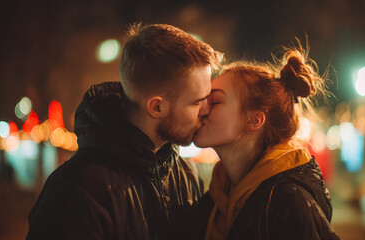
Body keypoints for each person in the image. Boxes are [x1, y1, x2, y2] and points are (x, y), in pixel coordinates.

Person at [26, 23, 223, 240]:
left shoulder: (185, 172)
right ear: (157, 107)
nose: (206, 110)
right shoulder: (75, 193)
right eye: (198, 102)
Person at [190, 47, 340, 239]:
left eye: (215, 101)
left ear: (254, 120)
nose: (201, 109)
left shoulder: (289, 205)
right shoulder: (215, 200)